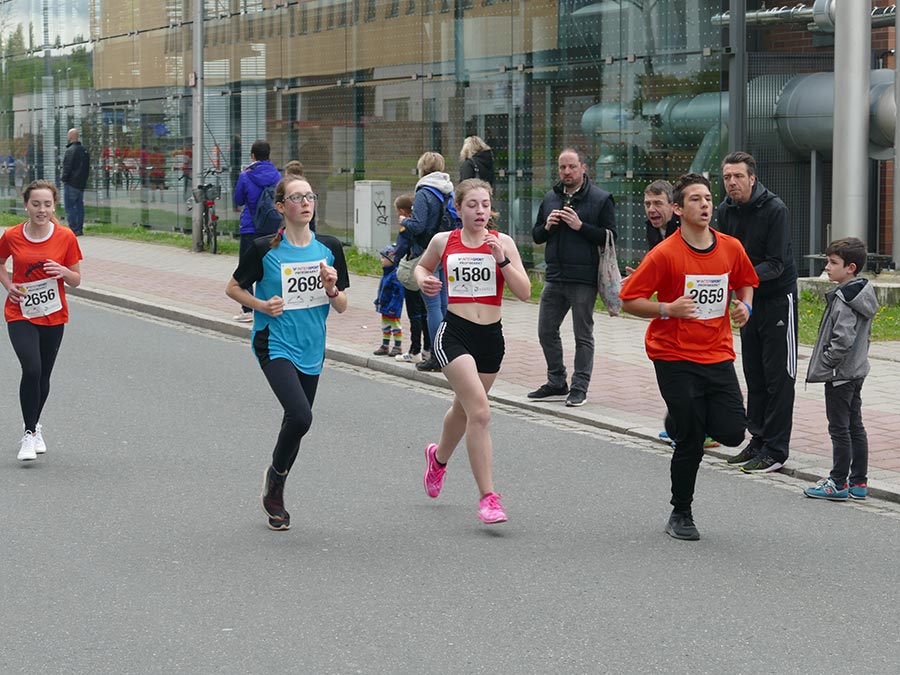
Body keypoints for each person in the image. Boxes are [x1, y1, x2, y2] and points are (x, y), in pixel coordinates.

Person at [620, 173, 758, 540]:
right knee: (692, 440)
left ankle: (680, 419)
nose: (705, 205)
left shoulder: (730, 248)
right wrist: (667, 309)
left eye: (708, 198)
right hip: (673, 356)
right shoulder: (665, 254)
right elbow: (629, 300)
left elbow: (745, 281)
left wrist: (745, 306)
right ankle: (681, 512)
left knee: (733, 433)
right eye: (695, 199)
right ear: (678, 209)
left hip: (717, 353)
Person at [226, 176, 349, 531]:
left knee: (295, 422)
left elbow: (342, 305)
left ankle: (274, 485)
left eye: (310, 196)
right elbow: (233, 288)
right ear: (281, 207)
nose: (306, 202)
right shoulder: (264, 249)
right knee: (301, 415)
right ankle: (277, 482)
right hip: (274, 341)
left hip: (312, 345)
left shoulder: (329, 248)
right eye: (297, 197)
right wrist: (262, 305)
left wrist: (331, 289)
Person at [416, 178, 531, 524]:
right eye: (472, 205)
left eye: (485, 205)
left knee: (463, 410)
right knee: (480, 412)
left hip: (490, 339)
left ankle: (438, 459)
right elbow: (422, 266)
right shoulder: (444, 241)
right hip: (454, 334)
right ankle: (488, 498)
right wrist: (423, 280)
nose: (480, 211)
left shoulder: (503, 242)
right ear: (458, 208)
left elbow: (525, 292)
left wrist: (502, 261)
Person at [717, 151, 797, 474]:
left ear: (752, 178)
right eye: (727, 177)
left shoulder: (775, 209)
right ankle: (758, 440)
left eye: (738, 176)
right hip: (747, 302)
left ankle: (776, 450)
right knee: (755, 374)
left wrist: (739, 277)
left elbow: (776, 264)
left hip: (778, 300)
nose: (732, 182)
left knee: (779, 378)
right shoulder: (725, 210)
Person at [0, 180, 83, 461]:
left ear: (54, 206)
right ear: (26, 205)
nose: (41, 210)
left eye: (47, 204)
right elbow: (0, 262)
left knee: (44, 375)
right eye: (36, 204)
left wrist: (63, 271)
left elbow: (76, 280)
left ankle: (35, 427)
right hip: (20, 312)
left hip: (53, 314)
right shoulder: (12, 235)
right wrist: (8, 284)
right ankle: (28, 435)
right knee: (32, 369)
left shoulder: (65, 237)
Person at [529, 148, 616, 407]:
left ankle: (580, 387)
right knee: (546, 331)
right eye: (562, 167)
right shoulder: (551, 197)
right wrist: (547, 226)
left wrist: (580, 227)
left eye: (572, 167)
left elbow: (610, 236)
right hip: (554, 276)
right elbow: (536, 235)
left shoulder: (600, 199)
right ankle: (557, 381)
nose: (567, 172)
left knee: (582, 335)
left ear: (583, 168)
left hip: (583, 278)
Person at [803, 237, 877, 501]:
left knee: (839, 428)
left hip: (840, 375)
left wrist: (828, 361)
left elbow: (843, 338)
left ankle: (837, 482)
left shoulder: (845, 298)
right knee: (855, 426)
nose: (827, 267)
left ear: (851, 268)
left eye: (833, 262)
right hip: (856, 371)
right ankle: (859, 482)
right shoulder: (862, 293)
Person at [395, 151, 454, 373]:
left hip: (427, 252)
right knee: (444, 304)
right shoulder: (448, 190)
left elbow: (418, 226)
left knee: (432, 306)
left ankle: (436, 355)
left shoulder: (424, 192)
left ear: (422, 168)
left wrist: (404, 221)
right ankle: (448, 351)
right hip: (446, 248)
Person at [232, 140, 282, 323]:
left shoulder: (246, 175)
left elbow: (238, 199)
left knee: (246, 268)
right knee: (270, 267)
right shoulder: (277, 175)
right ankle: (274, 305)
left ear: (253, 156)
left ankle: (248, 310)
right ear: (268, 155)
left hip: (250, 227)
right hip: (271, 227)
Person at [392, 193, 431, 363]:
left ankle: (415, 350)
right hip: (426, 270)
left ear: (402, 211)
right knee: (426, 312)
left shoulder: (406, 227)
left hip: (412, 272)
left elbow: (401, 249)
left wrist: (395, 260)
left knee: (414, 314)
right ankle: (428, 349)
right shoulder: (424, 225)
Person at [373, 243, 404, 356]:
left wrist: (394, 306)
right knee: (385, 326)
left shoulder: (395, 275)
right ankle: (385, 345)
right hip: (385, 305)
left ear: (392, 259)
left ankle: (397, 346)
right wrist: (378, 300)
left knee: (395, 326)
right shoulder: (386, 273)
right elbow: (382, 289)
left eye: (383, 257)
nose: (381, 260)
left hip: (392, 307)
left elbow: (398, 293)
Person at [61, 128, 90, 236]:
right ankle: (79, 228)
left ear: (70, 136)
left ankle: (73, 229)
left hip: (71, 183)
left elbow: (67, 167)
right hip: (80, 184)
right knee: (79, 207)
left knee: (70, 207)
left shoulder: (70, 151)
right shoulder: (84, 151)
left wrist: (64, 179)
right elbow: (87, 168)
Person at [644, 179, 679, 250]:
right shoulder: (651, 227)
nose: (651, 210)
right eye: (647, 204)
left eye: (658, 203)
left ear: (672, 206)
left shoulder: (685, 229)